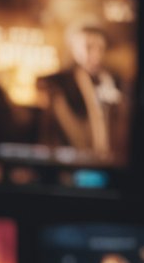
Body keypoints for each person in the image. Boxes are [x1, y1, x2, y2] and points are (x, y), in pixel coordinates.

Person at [38, 23, 128, 164]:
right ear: (74, 49)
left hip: (111, 160)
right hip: (71, 160)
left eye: (100, 47)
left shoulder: (114, 80)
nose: (95, 53)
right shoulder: (59, 83)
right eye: (88, 47)